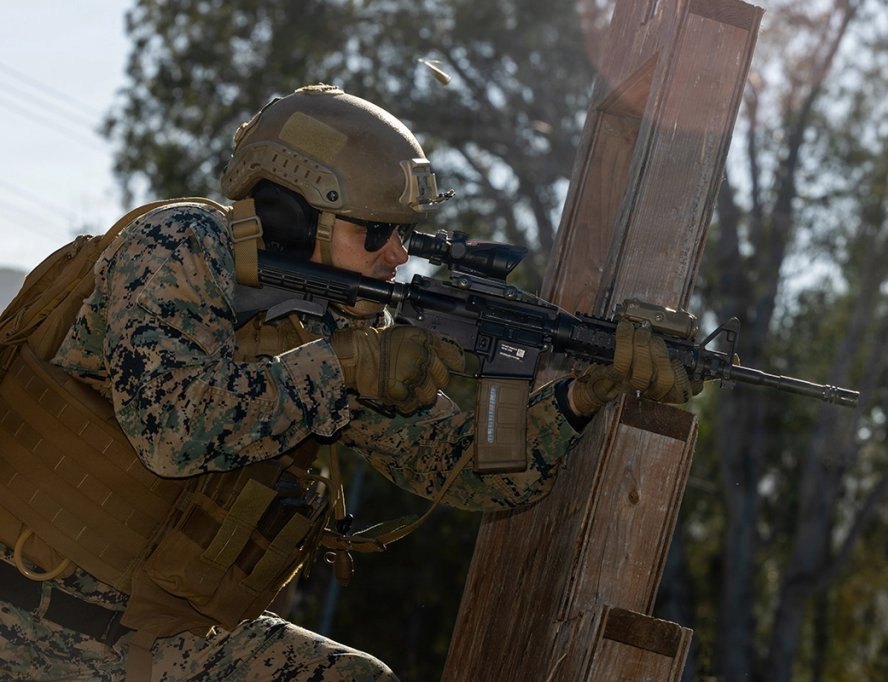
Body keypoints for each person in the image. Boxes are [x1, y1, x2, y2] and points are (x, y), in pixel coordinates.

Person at [0, 84, 697, 681]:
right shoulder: (180, 244)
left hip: (145, 638)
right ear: (297, 213)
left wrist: (583, 392)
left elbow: (470, 472)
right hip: (31, 621)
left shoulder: (330, 328)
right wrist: (350, 368)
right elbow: (174, 432)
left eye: (406, 238)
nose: (397, 256)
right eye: (378, 233)